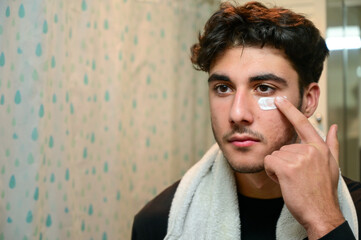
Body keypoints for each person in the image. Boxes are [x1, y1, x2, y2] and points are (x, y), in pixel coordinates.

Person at [132, 1, 361, 239]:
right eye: (223, 88)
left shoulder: (351, 213)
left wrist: (324, 221)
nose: (237, 113)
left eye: (264, 88)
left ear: (309, 100)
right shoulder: (158, 224)